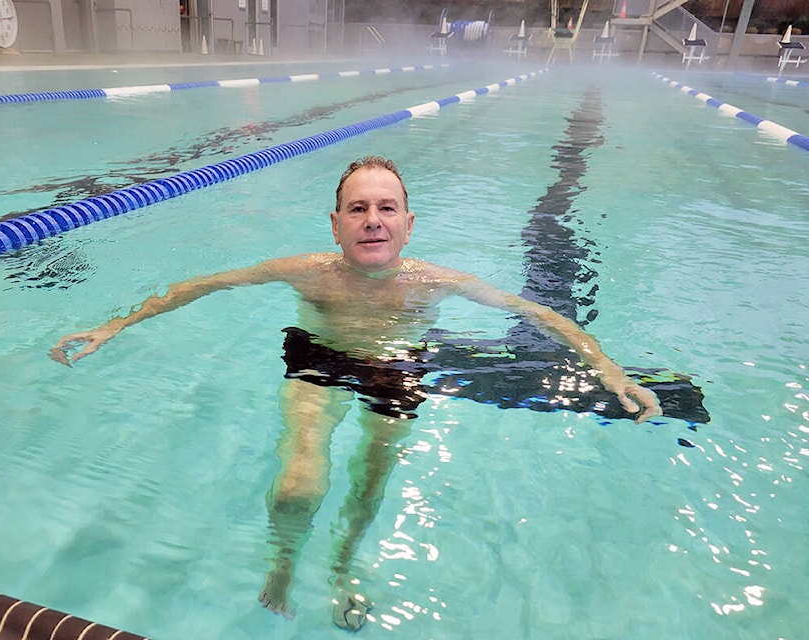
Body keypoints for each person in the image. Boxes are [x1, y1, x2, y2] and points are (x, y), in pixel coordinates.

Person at [50, 156, 662, 630]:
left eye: (387, 208)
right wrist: (114, 326)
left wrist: (608, 370)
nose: (374, 218)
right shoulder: (309, 270)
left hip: (395, 368)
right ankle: (284, 560)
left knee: (371, 479)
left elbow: (541, 314)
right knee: (299, 480)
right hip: (318, 359)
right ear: (337, 223)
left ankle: (343, 562)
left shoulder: (437, 282)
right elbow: (203, 284)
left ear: (408, 222)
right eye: (359, 208)